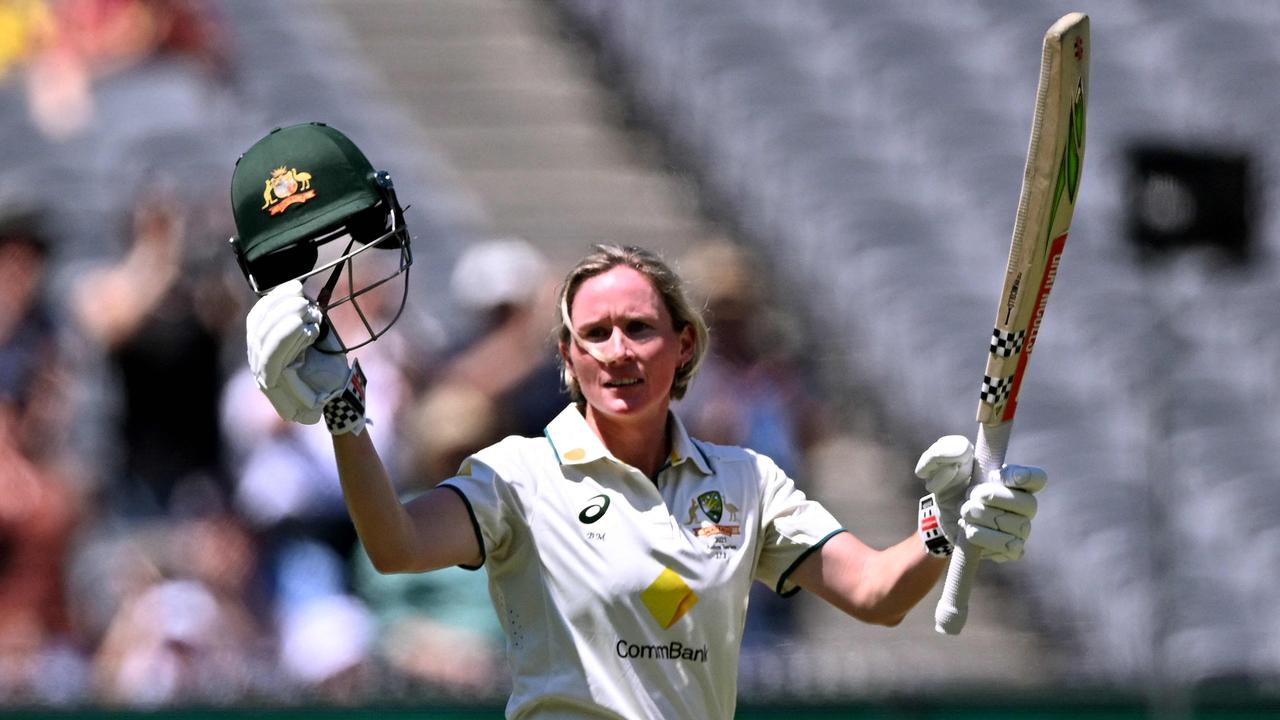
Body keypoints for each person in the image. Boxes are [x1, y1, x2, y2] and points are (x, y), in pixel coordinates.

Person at [229, 123, 1047, 719]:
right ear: (568, 357)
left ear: (684, 344)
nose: (618, 352)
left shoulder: (746, 483)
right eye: (594, 334)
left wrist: (946, 530)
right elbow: (395, 543)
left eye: (640, 328)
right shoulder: (519, 477)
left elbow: (874, 593)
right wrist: (344, 415)